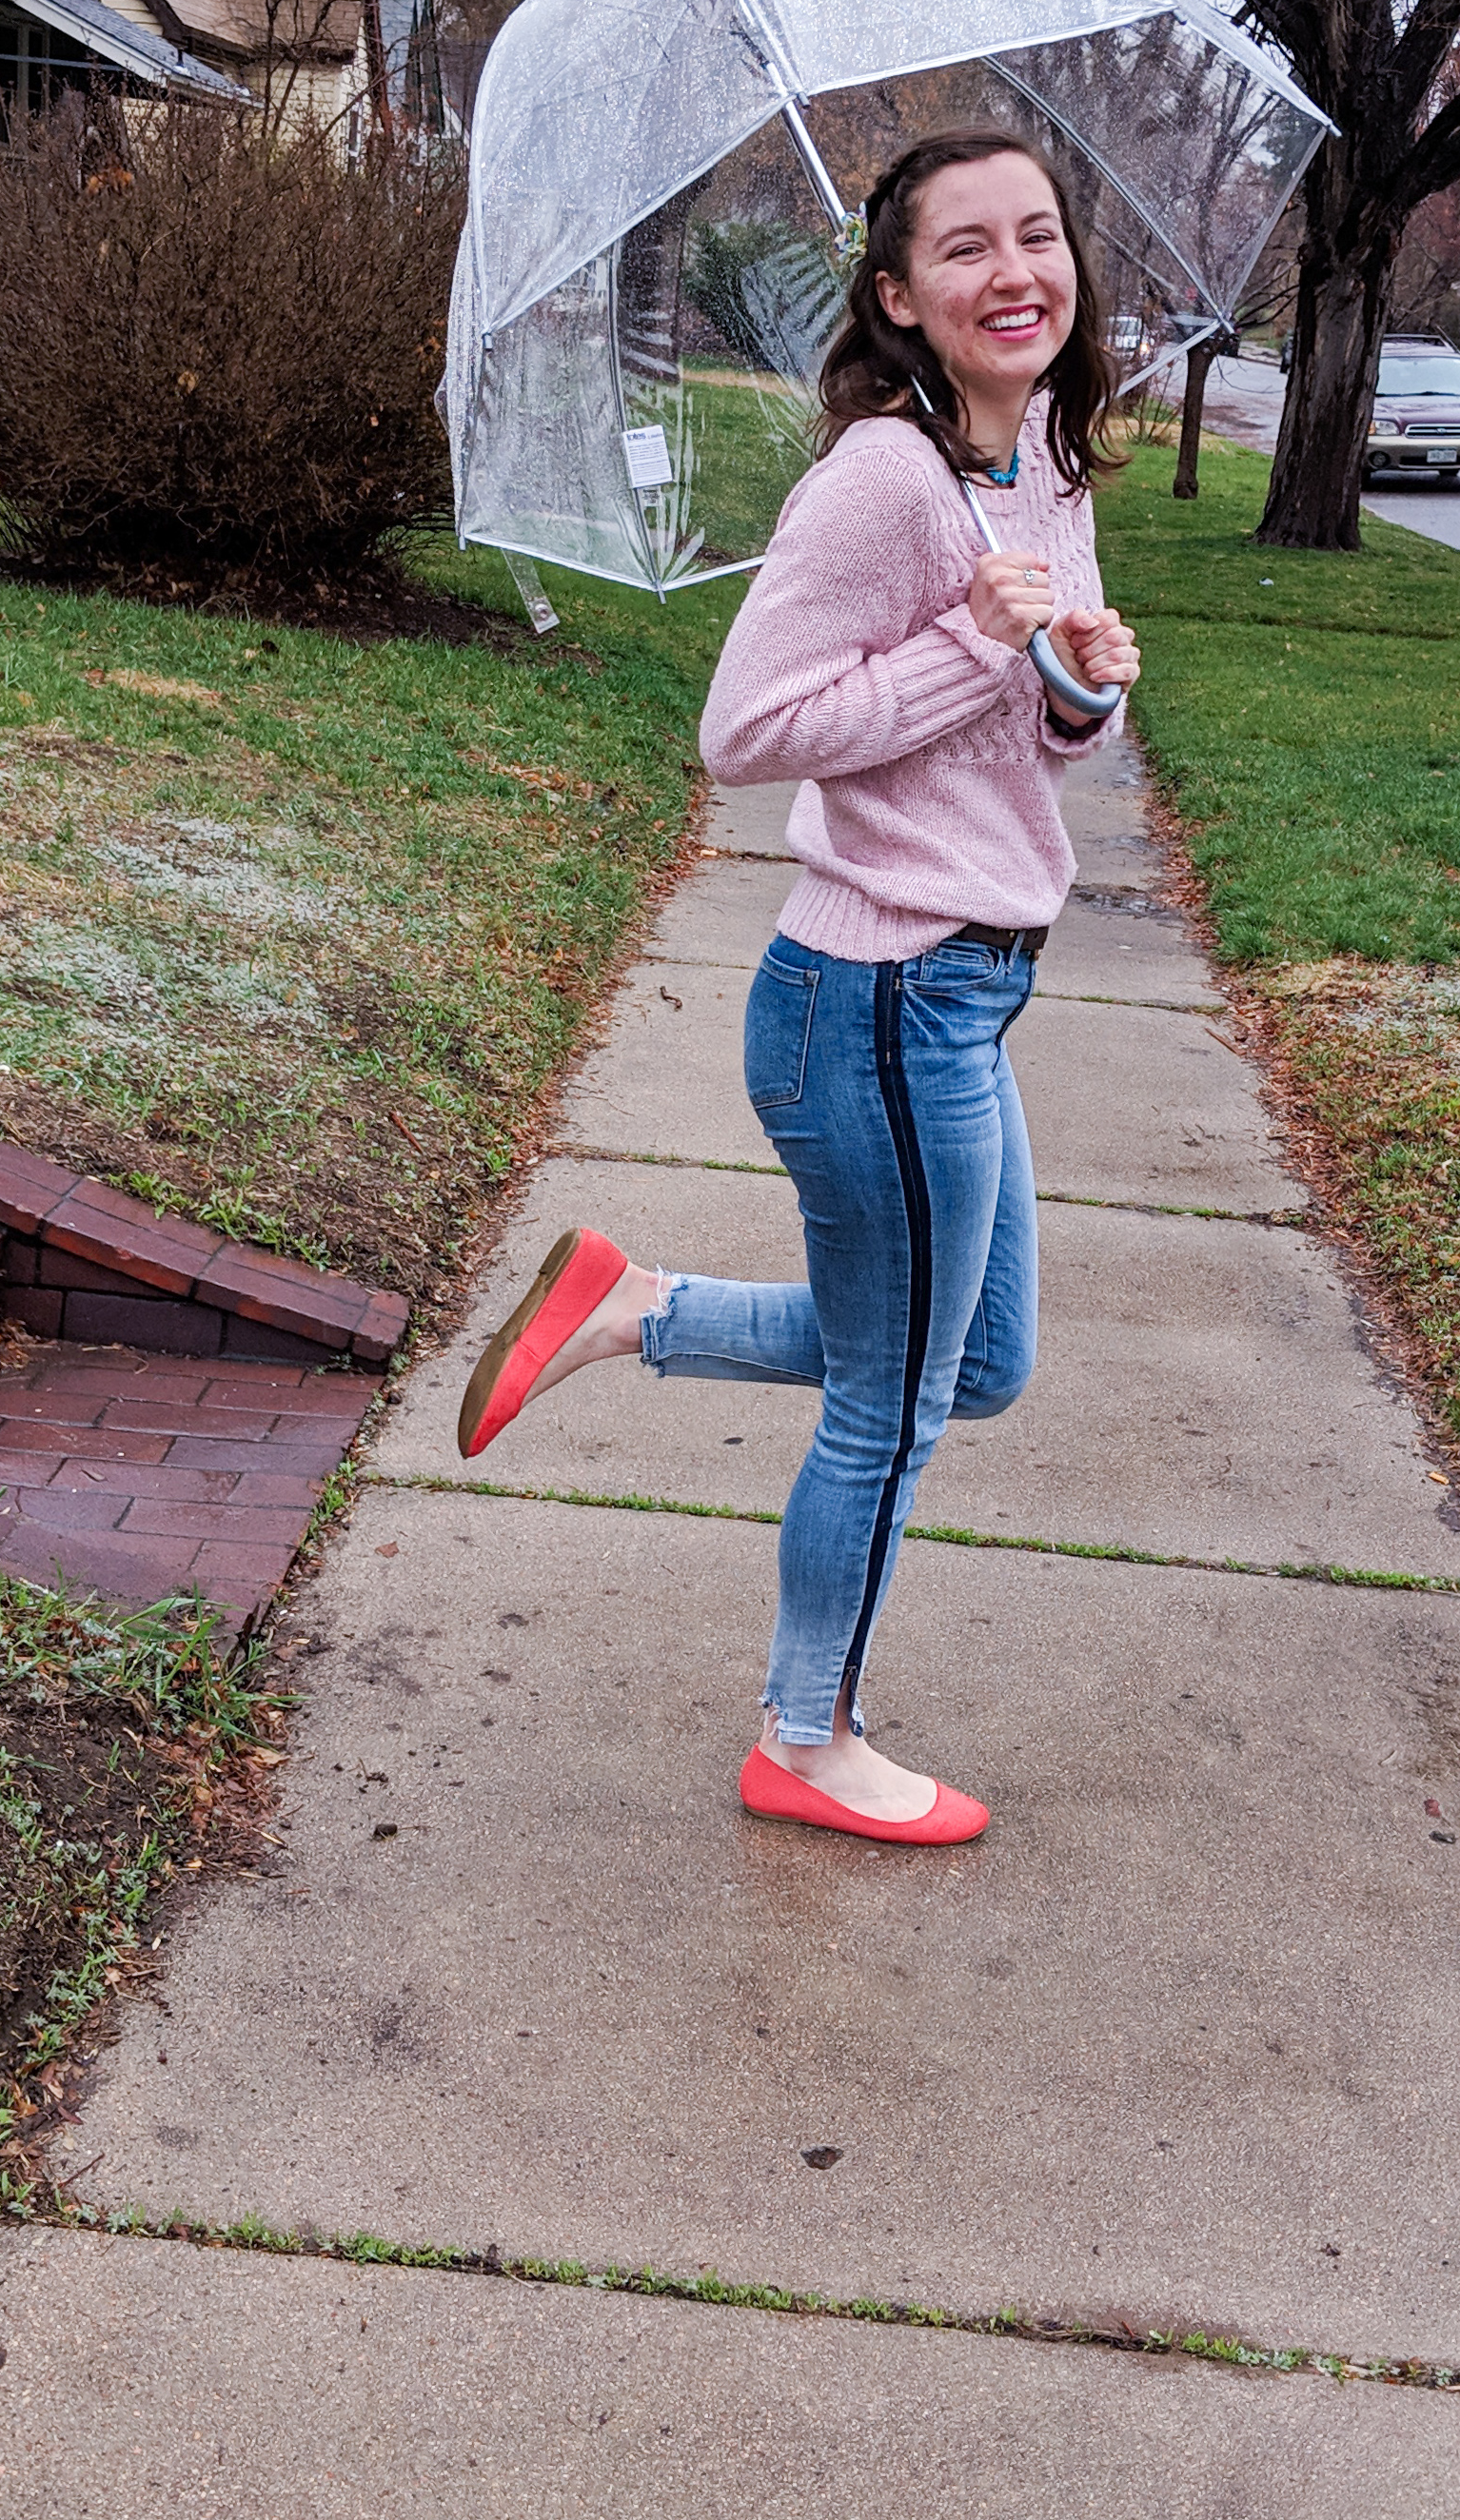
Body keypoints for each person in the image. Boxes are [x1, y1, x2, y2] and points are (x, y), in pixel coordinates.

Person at [452, 131, 1139, 1844]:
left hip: (964, 993)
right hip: (881, 1002)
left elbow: (1032, 743)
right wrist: (973, 643)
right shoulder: (883, 481)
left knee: (977, 1360)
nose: (1015, 272)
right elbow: (746, 729)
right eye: (965, 248)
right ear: (897, 296)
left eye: (1038, 236)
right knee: (892, 1401)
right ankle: (805, 1736)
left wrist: (1080, 685)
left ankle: (630, 1308)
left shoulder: (1041, 466)